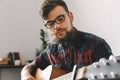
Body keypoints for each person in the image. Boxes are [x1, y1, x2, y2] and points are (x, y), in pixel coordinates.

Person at [21, 0, 113, 80]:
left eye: (60, 19)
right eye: (50, 24)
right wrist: (25, 75)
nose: (56, 26)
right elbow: (31, 66)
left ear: (71, 17)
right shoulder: (51, 50)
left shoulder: (96, 45)